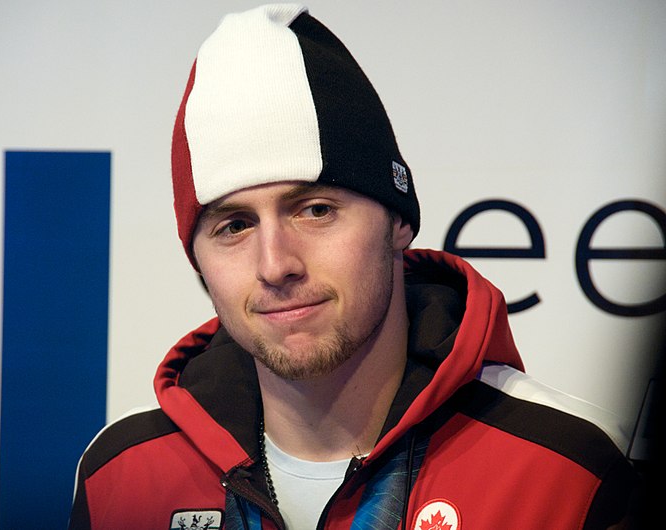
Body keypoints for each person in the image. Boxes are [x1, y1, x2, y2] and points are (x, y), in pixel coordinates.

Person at [68, 4, 638, 529]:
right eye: (234, 226)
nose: (275, 265)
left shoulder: (566, 469)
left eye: (316, 210)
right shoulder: (120, 475)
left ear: (398, 221)